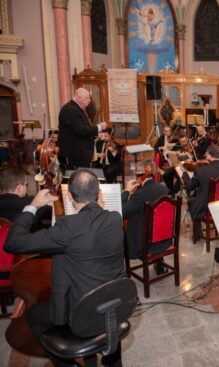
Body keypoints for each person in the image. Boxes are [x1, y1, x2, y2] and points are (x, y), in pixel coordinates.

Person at [4, 169, 125, 367]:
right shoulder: (114, 219)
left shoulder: (68, 227)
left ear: (69, 197)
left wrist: (32, 206)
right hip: (114, 304)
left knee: (33, 316)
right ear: (100, 194)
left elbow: (13, 242)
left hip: (81, 313)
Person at [122, 160, 170, 272]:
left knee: (121, 227)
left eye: (138, 171)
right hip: (164, 239)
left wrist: (126, 191)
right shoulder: (163, 188)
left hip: (145, 244)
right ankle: (160, 262)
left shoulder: (140, 194)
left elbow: (123, 212)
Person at [181, 145, 219, 242]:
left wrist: (184, 173)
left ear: (208, 155)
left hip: (206, 208)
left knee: (191, 201)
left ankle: (197, 234)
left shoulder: (201, 171)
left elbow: (189, 187)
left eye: (206, 154)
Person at [58, 88, 107, 169]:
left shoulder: (76, 108)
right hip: (75, 153)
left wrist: (97, 135)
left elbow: (83, 129)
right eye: (87, 98)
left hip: (79, 153)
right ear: (79, 98)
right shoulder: (70, 110)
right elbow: (81, 130)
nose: (89, 100)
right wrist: (99, 127)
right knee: (79, 178)